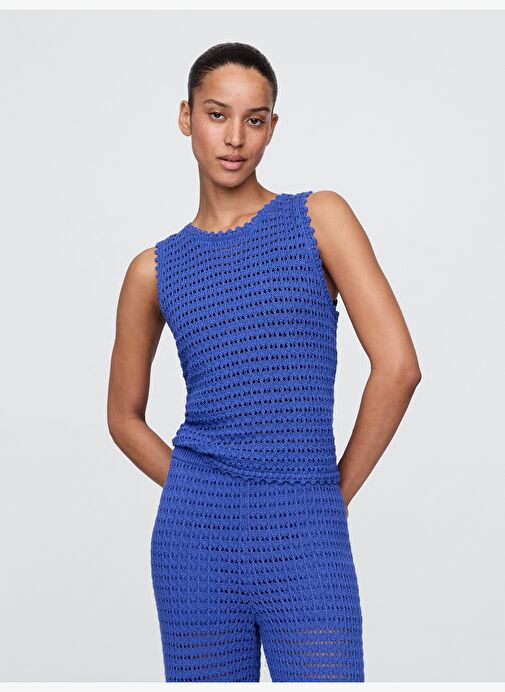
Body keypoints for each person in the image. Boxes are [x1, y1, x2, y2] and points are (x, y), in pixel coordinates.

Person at [107, 42, 422, 683]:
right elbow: (122, 417)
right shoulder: (153, 270)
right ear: (186, 117)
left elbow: (398, 367)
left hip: (305, 527)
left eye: (254, 120)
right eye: (216, 114)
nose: (234, 138)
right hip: (194, 543)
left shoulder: (318, 217)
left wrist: (328, 495)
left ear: (272, 126)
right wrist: (200, 492)